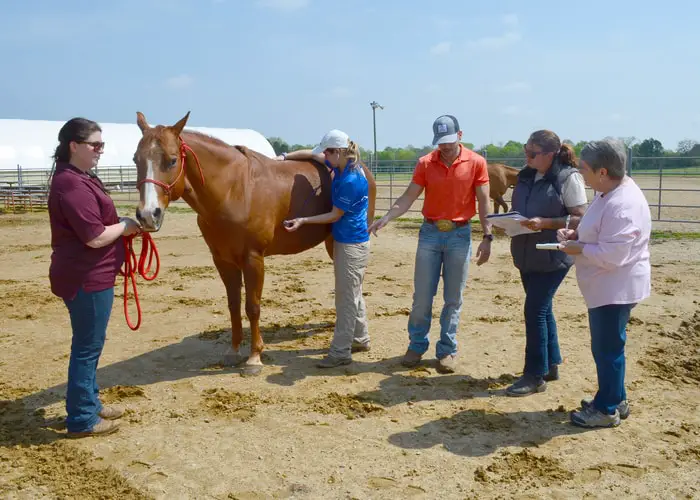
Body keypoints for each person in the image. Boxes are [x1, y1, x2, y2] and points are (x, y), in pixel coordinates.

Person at [368, 115, 493, 374]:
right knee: (422, 296)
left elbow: (484, 201)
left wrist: (487, 235)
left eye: (448, 141)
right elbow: (408, 196)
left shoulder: (477, 163)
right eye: (440, 142)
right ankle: (416, 344)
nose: (444, 147)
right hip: (430, 233)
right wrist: (387, 217)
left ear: (460, 135)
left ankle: (447, 349)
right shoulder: (425, 163)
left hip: (460, 234)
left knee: (453, 297)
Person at [48, 117, 141, 438]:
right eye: (95, 145)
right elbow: (94, 236)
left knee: (90, 345)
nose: (100, 150)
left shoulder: (79, 177)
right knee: (87, 347)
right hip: (86, 278)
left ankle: (88, 401)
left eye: (102, 145)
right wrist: (129, 226)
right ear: (74, 146)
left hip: (89, 274)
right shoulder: (72, 184)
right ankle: (82, 419)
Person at [558, 138, 651, 428]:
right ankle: (615, 398)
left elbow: (614, 254)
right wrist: (577, 237)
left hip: (615, 288)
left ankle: (607, 409)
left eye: (584, 169)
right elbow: (602, 233)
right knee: (610, 347)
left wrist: (580, 249)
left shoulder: (623, 204)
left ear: (602, 172)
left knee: (607, 350)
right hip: (608, 286)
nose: (580, 174)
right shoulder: (609, 191)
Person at [504, 130, 588, 397]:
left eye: (533, 153)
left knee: (535, 311)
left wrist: (546, 223)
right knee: (542, 308)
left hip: (554, 254)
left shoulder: (568, 177)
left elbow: (580, 218)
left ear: (550, 154)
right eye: (525, 151)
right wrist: (508, 221)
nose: (527, 156)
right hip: (526, 253)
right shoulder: (526, 176)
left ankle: (534, 375)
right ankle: (551, 364)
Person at [281, 129, 371, 368]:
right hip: (351, 241)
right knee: (354, 292)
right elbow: (312, 155)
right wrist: (283, 157)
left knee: (345, 299)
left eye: (327, 153)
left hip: (351, 244)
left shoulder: (351, 180)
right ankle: (360, 338)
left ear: (338, 152)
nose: (324, 157)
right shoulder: (343, 165)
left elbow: (334, 215)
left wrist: (303, 220)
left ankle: (341, 352)